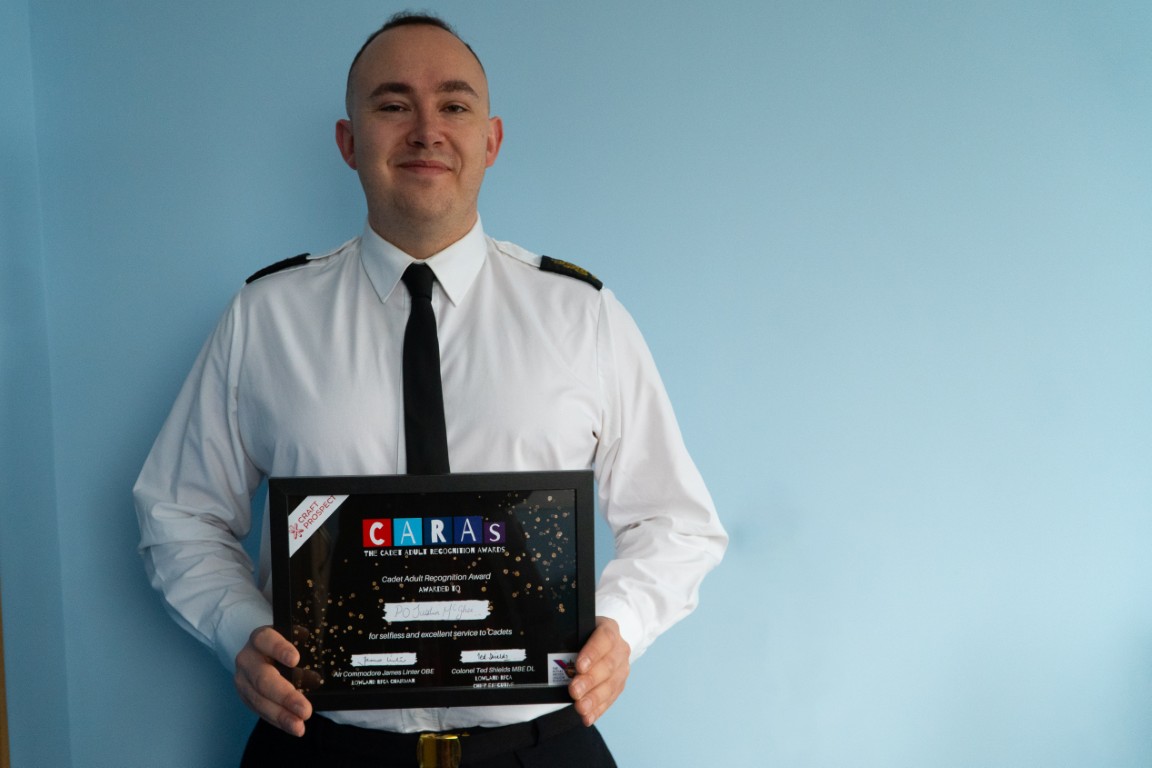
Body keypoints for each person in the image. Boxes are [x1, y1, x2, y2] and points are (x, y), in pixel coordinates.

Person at [135, 12, 726, 767]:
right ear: (349, 144)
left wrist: (620, 627)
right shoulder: (265, 317)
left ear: (491, 139)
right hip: (323, 749)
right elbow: (177, 511)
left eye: (453, 105)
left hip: (538, 747)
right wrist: (241, 630)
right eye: (391, 105)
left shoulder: (583, 316)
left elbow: (678, 523)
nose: (425, 130)